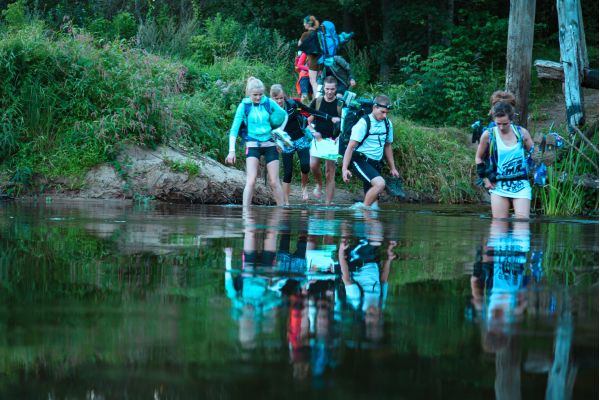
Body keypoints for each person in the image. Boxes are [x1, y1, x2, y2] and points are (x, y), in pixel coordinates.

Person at [226, 77, 287, 207]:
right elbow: (234, 130)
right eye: (255, 95)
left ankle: (283, 212)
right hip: (253, 144)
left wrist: (279, 132)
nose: (258, 97)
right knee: (251, 180)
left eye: (260, 94)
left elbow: (284, 115)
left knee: (274, 182)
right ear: (249, 94)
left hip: (270, 144)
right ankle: (245, 212)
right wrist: (232, 151)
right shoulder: (244, 106)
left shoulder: (268, 102)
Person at [475, 101, 534, 219]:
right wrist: (485, 178)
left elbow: (534, 153)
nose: (501, 127)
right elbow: (478, 158)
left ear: (511, 120)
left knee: (522, 222)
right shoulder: (488, 135)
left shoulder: (521, 133)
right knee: (499, 226)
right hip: (499, 186)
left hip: (521, 184)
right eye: (498, 124)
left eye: (505, 124)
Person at [341, 95, 400, 210]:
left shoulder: (388, 124)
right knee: (380, 184)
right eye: (382, 112)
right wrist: (344, 169)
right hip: (360, 161)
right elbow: (350, 147)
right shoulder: (363, 124)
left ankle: (363, 217)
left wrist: (393, 168)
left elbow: (387, 146)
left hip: (376, 163)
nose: (384, 116)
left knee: (374, 206)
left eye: (386, 113)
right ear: (374, 107)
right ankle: (362, 210)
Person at [270, 84, 312, 204]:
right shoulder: (271, 111)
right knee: (288, 172)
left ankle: (304, 188)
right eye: (276, 98)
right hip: (285, 143)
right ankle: (286, 202)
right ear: (272, 99)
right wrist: (276, 144)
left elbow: (308, 111)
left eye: (281, 98)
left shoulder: (293, 104)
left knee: (305, 166)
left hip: (300, 139)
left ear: (285, 97)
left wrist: (323, 118)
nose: (279, 101)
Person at [307, 76, 342, 204]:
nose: (329, 92)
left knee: (329, 172)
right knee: (313, 166)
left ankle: (327, 204)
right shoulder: (318, 101)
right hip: (318, 139)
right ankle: (319, 184)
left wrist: (340, 136)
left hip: (332, 141)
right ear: (324, 88)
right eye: (327, 89)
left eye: (332, 89)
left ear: (336, 89)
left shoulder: (340, 104)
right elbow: (308, 121)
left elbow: (345, 125)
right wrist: (313, 132)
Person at [297, 15, 322, 98]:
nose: (304, 25)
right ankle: (321, 98)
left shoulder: (306, 34)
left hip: (313, 60)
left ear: (308, 24)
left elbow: (299, 45)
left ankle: (317, 100)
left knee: (313, 81)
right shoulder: (319, 32)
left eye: (305, 23)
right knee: (320, 81)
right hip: (322, 60)